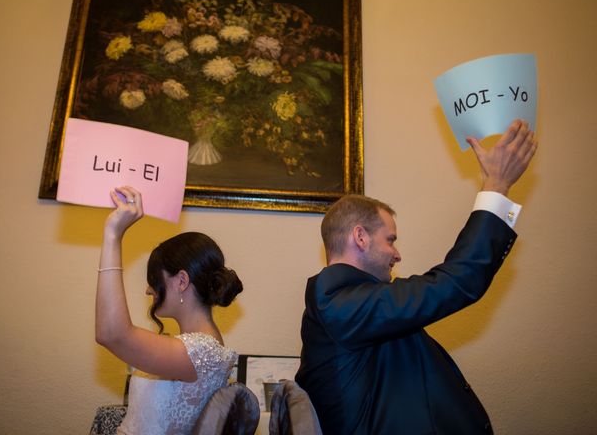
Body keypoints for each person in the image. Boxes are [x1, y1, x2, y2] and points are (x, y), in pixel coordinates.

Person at [295, 119, 537, 434]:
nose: (398, 255)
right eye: (390, 240)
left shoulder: (355, 305)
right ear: (361, 237)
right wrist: (497, 189)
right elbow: (454, 283)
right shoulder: (337, 302)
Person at [95, 186, 243, 435]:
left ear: (182, 281)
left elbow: (112, 334)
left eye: (154, 278)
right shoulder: (196, 347)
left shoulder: (202, 351)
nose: (148, 290)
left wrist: (113, 234)